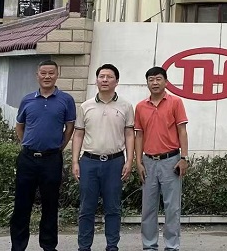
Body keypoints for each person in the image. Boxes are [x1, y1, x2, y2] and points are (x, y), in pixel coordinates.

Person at [10, 59, 77, 251]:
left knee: (50, 205)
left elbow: (69, 127)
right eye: (43, 73)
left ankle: (48, 246)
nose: (47, 76)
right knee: (22, 205)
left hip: (51, 160)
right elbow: (20, 126)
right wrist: (27, 144)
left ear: (57, 75)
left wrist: (59, 147)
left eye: (51, 73)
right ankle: (18, 246)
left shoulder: (66, 100)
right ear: (37, 75)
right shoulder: (27, 100)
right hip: (28, 159)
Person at [72, 64, 135, 251]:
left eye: (109, 76)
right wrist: (75, 161)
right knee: (86, 208)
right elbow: (78, 134)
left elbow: (129, 134)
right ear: (96, 80)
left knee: (113, 208)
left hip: (115, 162)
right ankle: (84, 247)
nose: (105, 80)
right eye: (101, 76)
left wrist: (129, 160)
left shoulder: (126, 106)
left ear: (117, 81)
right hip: (89, 162)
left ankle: (112, 246)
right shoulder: (86, 106)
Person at [134, 66, 189, 251]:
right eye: (151, 79)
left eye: (158, 79)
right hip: (148, 162)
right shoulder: (141, 106)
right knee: (148, 208)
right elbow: (139, 135)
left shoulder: (175, 102)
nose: (155, 83)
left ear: (166, 82)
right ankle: (149, 246)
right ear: (147, 83)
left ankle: (172, 246)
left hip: (171, 161)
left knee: (172, 208)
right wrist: (138, 161)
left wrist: (184, 157)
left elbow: (182, 131)